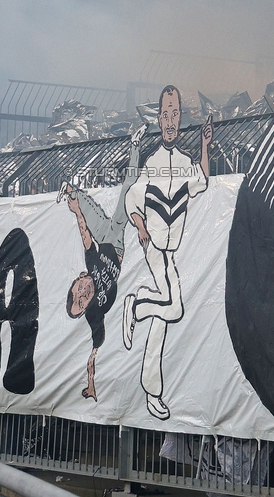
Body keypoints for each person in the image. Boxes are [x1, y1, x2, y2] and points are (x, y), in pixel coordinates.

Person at [123, 85, 214, 420]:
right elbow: (132, 200)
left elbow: (202, 178)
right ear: (160, 119)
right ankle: (137, 306)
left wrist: (205, 145)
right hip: (155, 249)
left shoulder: (186, 161)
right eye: (166, 114)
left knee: (163, 316)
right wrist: (142, 229)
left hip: (169, 251)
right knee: (173, 307)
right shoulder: (152, 162)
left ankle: (152, 393)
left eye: (176, 113)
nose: (171, 120)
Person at [62, 125, 145, 401]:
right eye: (81, 302)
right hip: (116, 241)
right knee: (125, 197)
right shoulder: (95, 313)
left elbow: (84, 232)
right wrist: (91, 384)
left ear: (79, 279)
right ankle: (135, 147)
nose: (83, 294)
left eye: (78, 293)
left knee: (84, 209)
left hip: (102, 238)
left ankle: (72, 192)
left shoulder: (91, 262)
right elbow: (94, 352)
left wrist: (75, 210)